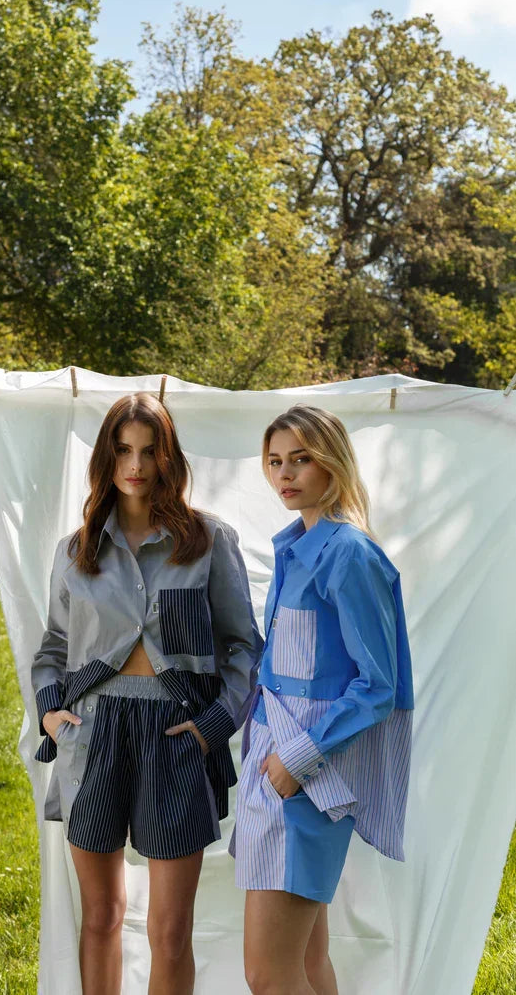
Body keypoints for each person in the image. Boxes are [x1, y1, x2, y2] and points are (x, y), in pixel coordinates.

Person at [31, 392, 262, 995]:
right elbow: (54, 646)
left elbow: (244, 646)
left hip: (176, 736)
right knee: (101, 917)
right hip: (92, 735)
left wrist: (214, 726)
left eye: (149, 451)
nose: (135, 465)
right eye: (122, 450)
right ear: (105, 458)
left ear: (168, 458)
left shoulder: (208, 542)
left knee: (170, 930)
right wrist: (52, 715)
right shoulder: (76, 551)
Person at [233, 405, 413, 995]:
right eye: (275, 461)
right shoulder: (295, 548)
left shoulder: (350, 554)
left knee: (268, 975)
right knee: (308, 964)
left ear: (331, 462)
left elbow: (378, 685)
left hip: (306, 777)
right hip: (275, 769)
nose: (284, 474)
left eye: (301, 459)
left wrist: (296, 760)